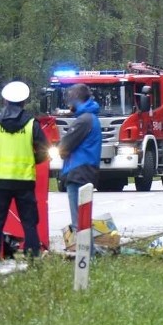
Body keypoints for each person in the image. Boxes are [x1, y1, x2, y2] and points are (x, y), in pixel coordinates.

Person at [0, 81, 50, 278]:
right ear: (25, 101)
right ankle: (34, 263)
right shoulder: (31, 124)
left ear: (4, 99)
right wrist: (31, 161)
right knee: (29, 223)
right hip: (24, 181)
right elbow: (45, 151)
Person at [58, 84, 102, 233]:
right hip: (87, 170)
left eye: (70, 98)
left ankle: (83, 250)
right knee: (84, 216)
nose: (68, 103)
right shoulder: (91, 117)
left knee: (78, 221)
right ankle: (88, 249)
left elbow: (64, 146)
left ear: (77, 98)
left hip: (78, 171)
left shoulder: (83, 120)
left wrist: (61, 150)